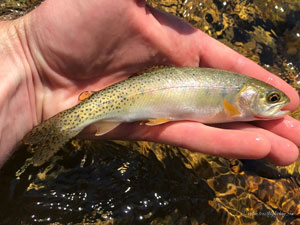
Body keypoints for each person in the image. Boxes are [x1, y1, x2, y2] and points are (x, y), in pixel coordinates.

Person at [0, 0, 299, 168]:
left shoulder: (237, 101)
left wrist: (25, 55)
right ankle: (59, 129)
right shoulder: (232, 102)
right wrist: (28, 54)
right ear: (245, 95)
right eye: (271, 98)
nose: (277, 103)